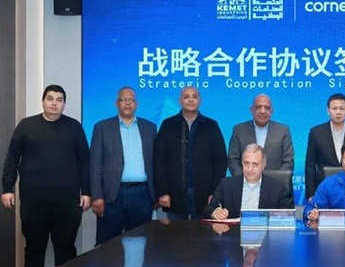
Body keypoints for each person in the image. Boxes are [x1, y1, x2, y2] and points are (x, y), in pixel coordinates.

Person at [1, 84, 91, 267]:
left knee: (66, 247)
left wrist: (86, 191)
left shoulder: (74, 127)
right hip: (34, 201)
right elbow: (12, 159)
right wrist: (7, 187)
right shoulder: (26, 126)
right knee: (34, 246)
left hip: (66, 201)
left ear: (64, 104)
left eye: (59, 100)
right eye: (50, 99)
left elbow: (85, 161)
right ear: (43, 101)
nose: (54, 104)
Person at [89, 87, 157, 245]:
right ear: (116, 103)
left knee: (141, 245)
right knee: (108, 247)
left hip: (142, 195)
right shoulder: (102, 127)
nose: (127, 103)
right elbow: (95, 164)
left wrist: (157, 194)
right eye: (123, 99)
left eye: (131, 100)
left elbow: (157, 163)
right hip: (112, 196)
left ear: (136, 104)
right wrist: (97, 196)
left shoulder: (149, 128)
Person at [153, 86, 227, 220]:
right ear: (180, 101)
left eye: (194, 97)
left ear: (200, 100)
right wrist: (163, 192)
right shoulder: (168, 125)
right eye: (186, 97)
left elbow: (220, 161)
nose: (190, 100)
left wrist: (215, 193)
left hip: (204, 195)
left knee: (203, 233)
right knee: (175, 232)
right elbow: (159, 161)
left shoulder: (211, 126)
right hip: (173, 194)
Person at [204, 144, 294, 219]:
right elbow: (208, 209)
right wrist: (215, 212)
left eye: (255, 164)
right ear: (242, 163)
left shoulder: (277, 188)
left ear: (263, 166)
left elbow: (288, 217)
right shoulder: (226, 185)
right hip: (234, 233)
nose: (250, 169)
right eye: (246, 163)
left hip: (265, 234)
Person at [305, 93, 345, 200]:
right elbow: (310, 165)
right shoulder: (316, 132)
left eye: (342, 108)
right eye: (334, 108)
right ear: (328, 110)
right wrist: (311, 194)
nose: (338, 112)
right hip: (323, 187)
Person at [227, 93, 294, 175]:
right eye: (258, 107)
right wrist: (245, 180)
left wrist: (276, 180)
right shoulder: (239, 130)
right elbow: (233, 160)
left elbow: (288, 162)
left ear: (271, 111)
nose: (263, 111)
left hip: (275, 182)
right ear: (251, 110)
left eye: (267, 108)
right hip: (245, 182)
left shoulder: (283, 130)